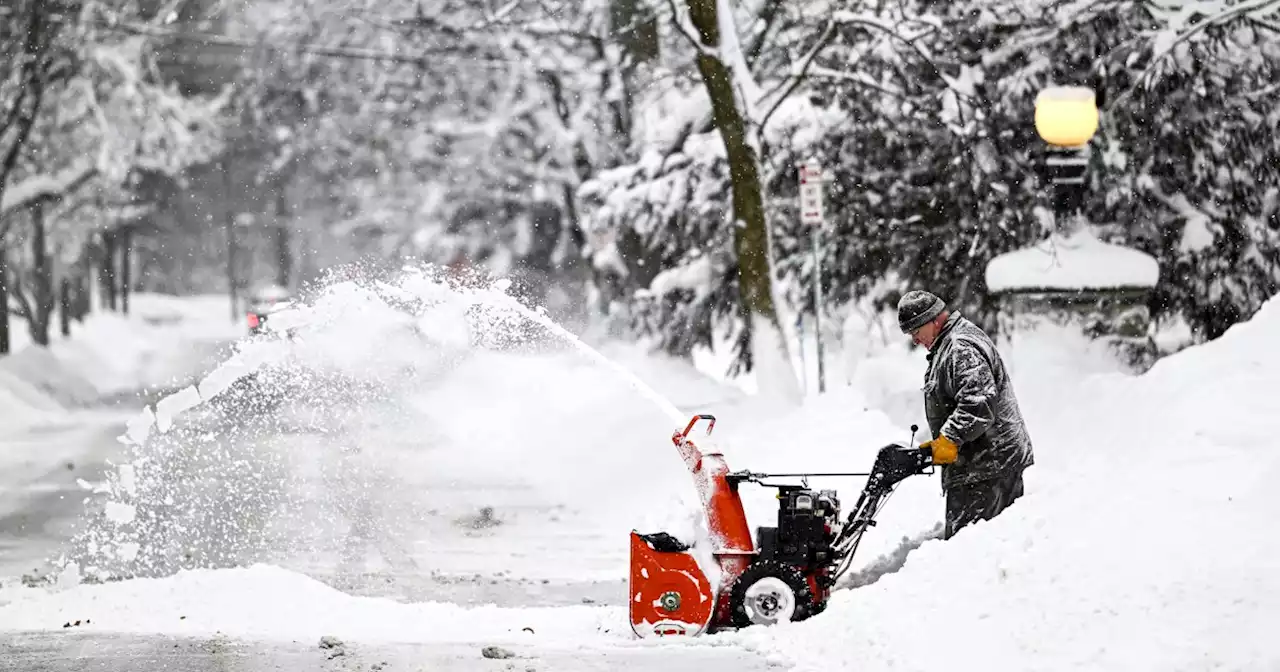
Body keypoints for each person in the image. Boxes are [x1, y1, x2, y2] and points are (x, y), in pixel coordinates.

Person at [897, 290, 1035, 540]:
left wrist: (949, 439)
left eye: (916, 332)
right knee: (979, 548)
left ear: (932, 320)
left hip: (988, 468)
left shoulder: (960, 346)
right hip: (983, 465)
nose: (915, 340)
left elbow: (978, 404)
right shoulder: (948, 345)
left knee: (973, 548)